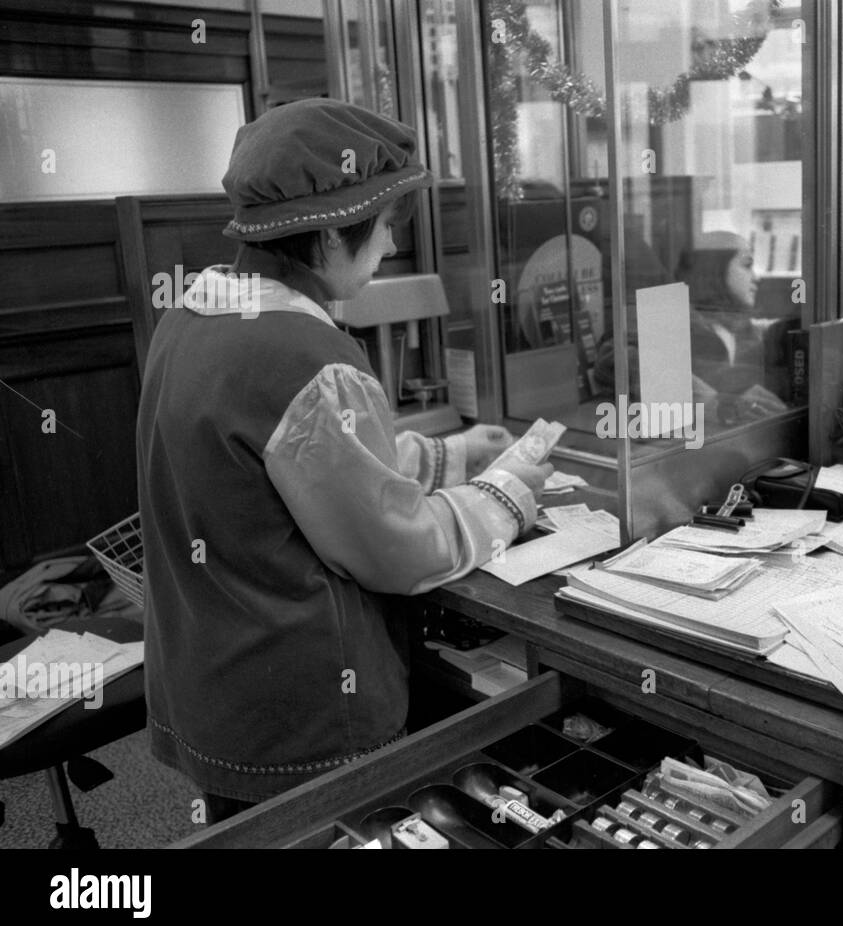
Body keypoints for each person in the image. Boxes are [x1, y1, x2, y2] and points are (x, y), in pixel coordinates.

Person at [136, 99, 550, 820]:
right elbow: (397, 550)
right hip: (302, 714)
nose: (391, 245)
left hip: (213, 682)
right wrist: (506, 497)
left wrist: (453, 457)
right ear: (329, 234)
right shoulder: (302, 355)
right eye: (386, 225)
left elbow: (307, 467)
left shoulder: (192, 319)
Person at [678, 231, 788, 423]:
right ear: (714, 270)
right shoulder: (673, 328)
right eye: (747, 265)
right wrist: (722, 404)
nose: (756, 278)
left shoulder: (742, 329)